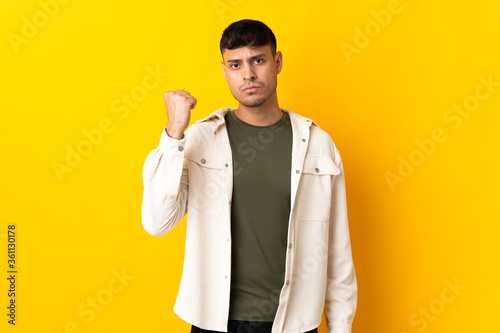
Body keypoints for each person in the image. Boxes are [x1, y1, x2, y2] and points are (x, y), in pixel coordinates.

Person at [141, 19, 357, 333]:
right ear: (224, 69)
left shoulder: (318, 145)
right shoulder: (201, 138)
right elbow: (157, 221)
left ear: (277, 61)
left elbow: (337, 247)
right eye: (235, 64)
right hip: (214, 321)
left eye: (258, 60)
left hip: (294, 322)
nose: (248, 74)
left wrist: (341, 327)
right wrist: (174, 133)